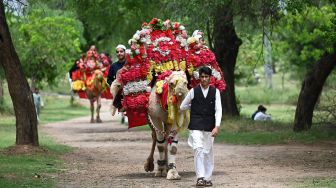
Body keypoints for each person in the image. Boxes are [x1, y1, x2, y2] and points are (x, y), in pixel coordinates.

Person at [180, 66, 222, 187]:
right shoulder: (193, 91)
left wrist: (217, 127)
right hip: (195, 125)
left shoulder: (215, 92)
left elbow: (218, 110)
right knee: (198, 149)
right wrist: (192, 107)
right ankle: (200, 177)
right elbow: (183, 106)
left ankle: (208, 178)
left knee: (208, 151)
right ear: (199, 77)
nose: (204, 79)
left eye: (206, 77)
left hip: (210, 125)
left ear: (210, 78)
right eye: (202, 77)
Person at [107, 44, 127, 123]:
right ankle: (115, 106)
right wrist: (114, 84)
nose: (119, 53)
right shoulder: (113, 66)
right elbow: (109, 79)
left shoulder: (130, 63)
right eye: (117, 52)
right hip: (118, 87)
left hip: (129, 86)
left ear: (125, 52)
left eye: (121, 51)